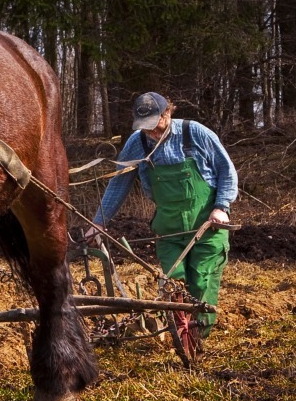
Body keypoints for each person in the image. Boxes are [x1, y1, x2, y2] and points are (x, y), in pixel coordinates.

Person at [84, 91, 238, 336]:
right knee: (172, 283)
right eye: (146, 129)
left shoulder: (194, 133)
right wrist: (99, 222)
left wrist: (221, 207)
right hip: (169, 228)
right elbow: (118, 184)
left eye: (156, 126)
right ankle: (178, 331)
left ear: (168, 113)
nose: (152, 134)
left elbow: (226, 171)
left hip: (207, 225)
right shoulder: (137, 142)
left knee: (200, 280)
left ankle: (199, 335)